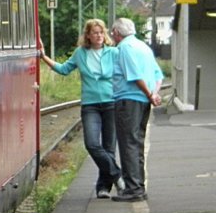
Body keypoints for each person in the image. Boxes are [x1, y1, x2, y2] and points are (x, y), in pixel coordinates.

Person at [39, 19, 122, 198]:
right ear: (88, 36)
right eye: (95, 33)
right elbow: (63, 69)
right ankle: (117, 175)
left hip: (111, 103)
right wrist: (43, 57)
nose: (99, 36)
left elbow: (127, 71)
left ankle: (103, 188)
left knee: (109, 147)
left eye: (101, 32)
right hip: (90, 105)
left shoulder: (114, 52)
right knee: (92, 144)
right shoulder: (80, 53)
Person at [109, 17, 164, 202]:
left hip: (128, 100)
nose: (112, 36)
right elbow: (158, 75)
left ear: (117, 33)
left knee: (128, 143)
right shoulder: (143, 47)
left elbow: (134, 75)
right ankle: (139, 186)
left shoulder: (124, 48)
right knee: (137, 142)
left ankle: (133, 189)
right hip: (143, 101)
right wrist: (154, 94)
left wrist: (149, 94)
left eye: (112, 33)